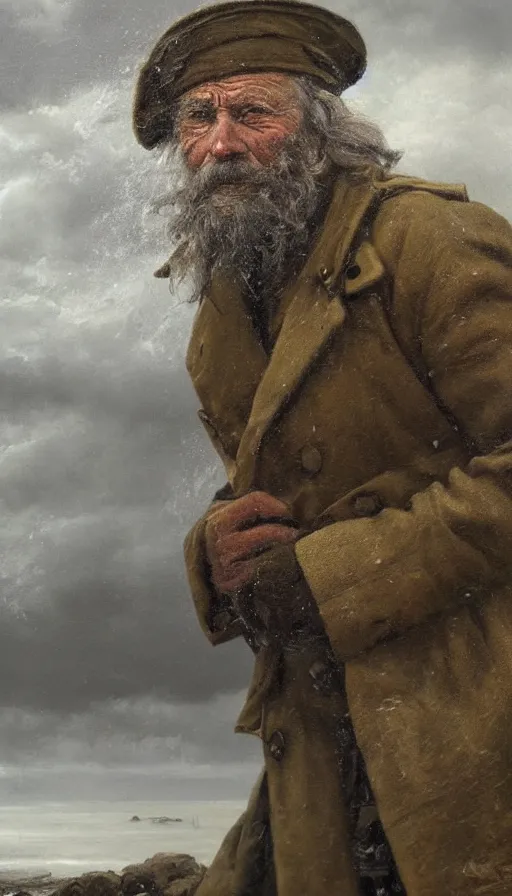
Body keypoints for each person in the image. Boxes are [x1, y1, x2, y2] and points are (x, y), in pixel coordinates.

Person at [133, 2, 512, 893]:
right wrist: (216, 553)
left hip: (470, 712)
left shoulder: (428, 240)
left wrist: (334, 573)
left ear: (318, 129)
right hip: (322, 724)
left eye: (251, 113)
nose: (221, 143)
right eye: (200, 117)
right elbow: (273, 492)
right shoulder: (225, 301)